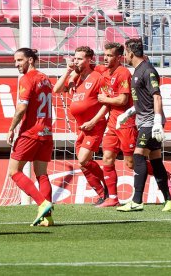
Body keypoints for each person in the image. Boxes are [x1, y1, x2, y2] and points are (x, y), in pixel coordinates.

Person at [116, 38, 171, 212]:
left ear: (131, 53)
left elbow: (157, 96)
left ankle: (136, 200)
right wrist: (128, 113)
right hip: (144, 119)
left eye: (125, 53)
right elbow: (144, 100)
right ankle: (168, 199)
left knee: (138, 156)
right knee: (155, 159)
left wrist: (157, 121)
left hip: (150, 122)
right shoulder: (137, 71)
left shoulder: (147, 71)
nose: (125, 56)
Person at [54, 46, 109, 205]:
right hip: (81, 127)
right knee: (83, 163)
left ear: (89, 59)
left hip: (95, 125)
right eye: (75, 58)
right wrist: (67, 71)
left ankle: (108, 187)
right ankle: (102, 193)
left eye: (79, 58)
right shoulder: (75, 77)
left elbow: (106, 103)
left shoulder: (98, 77)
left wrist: (93, 121)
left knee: (84, 159)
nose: (75, 61)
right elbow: (56, 90)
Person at [8, 48, 53, 226]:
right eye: (15, 61)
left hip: (31, 133)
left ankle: (42, 203)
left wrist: (11, 128)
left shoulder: (27, 79)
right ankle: (47, 218)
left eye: (20, 60)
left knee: (14, 171)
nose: (17, 64)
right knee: (42, 174)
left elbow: (21, 108)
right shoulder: (46, 79)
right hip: (47, 133)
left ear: (31, 60)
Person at [94, 42, 137, 207]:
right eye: (105, 55)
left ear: (119, 57)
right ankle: (113, 198)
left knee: (130, 163)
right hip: (112, 123)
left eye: (110, 55)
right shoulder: (104, 71)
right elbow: (88, 65)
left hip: (126, 122)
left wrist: (105, 100)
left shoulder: (123, 73)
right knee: (107, 158)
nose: (105, 58)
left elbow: (123, 100)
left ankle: (163, 175)